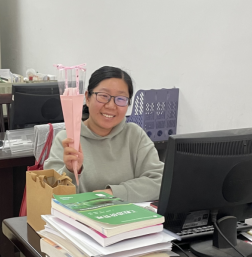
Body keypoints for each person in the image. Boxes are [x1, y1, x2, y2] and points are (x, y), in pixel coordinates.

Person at [44, 66, 164, 203]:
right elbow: (50, 193)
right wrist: (71, 171)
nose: (111, 106)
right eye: (103, 96)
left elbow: (160, 181)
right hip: (82, 215)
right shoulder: (68, 139)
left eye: (121, 99)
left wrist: (112, 193)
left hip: (128, 215)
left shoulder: (134, 135)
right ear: (87, 98)